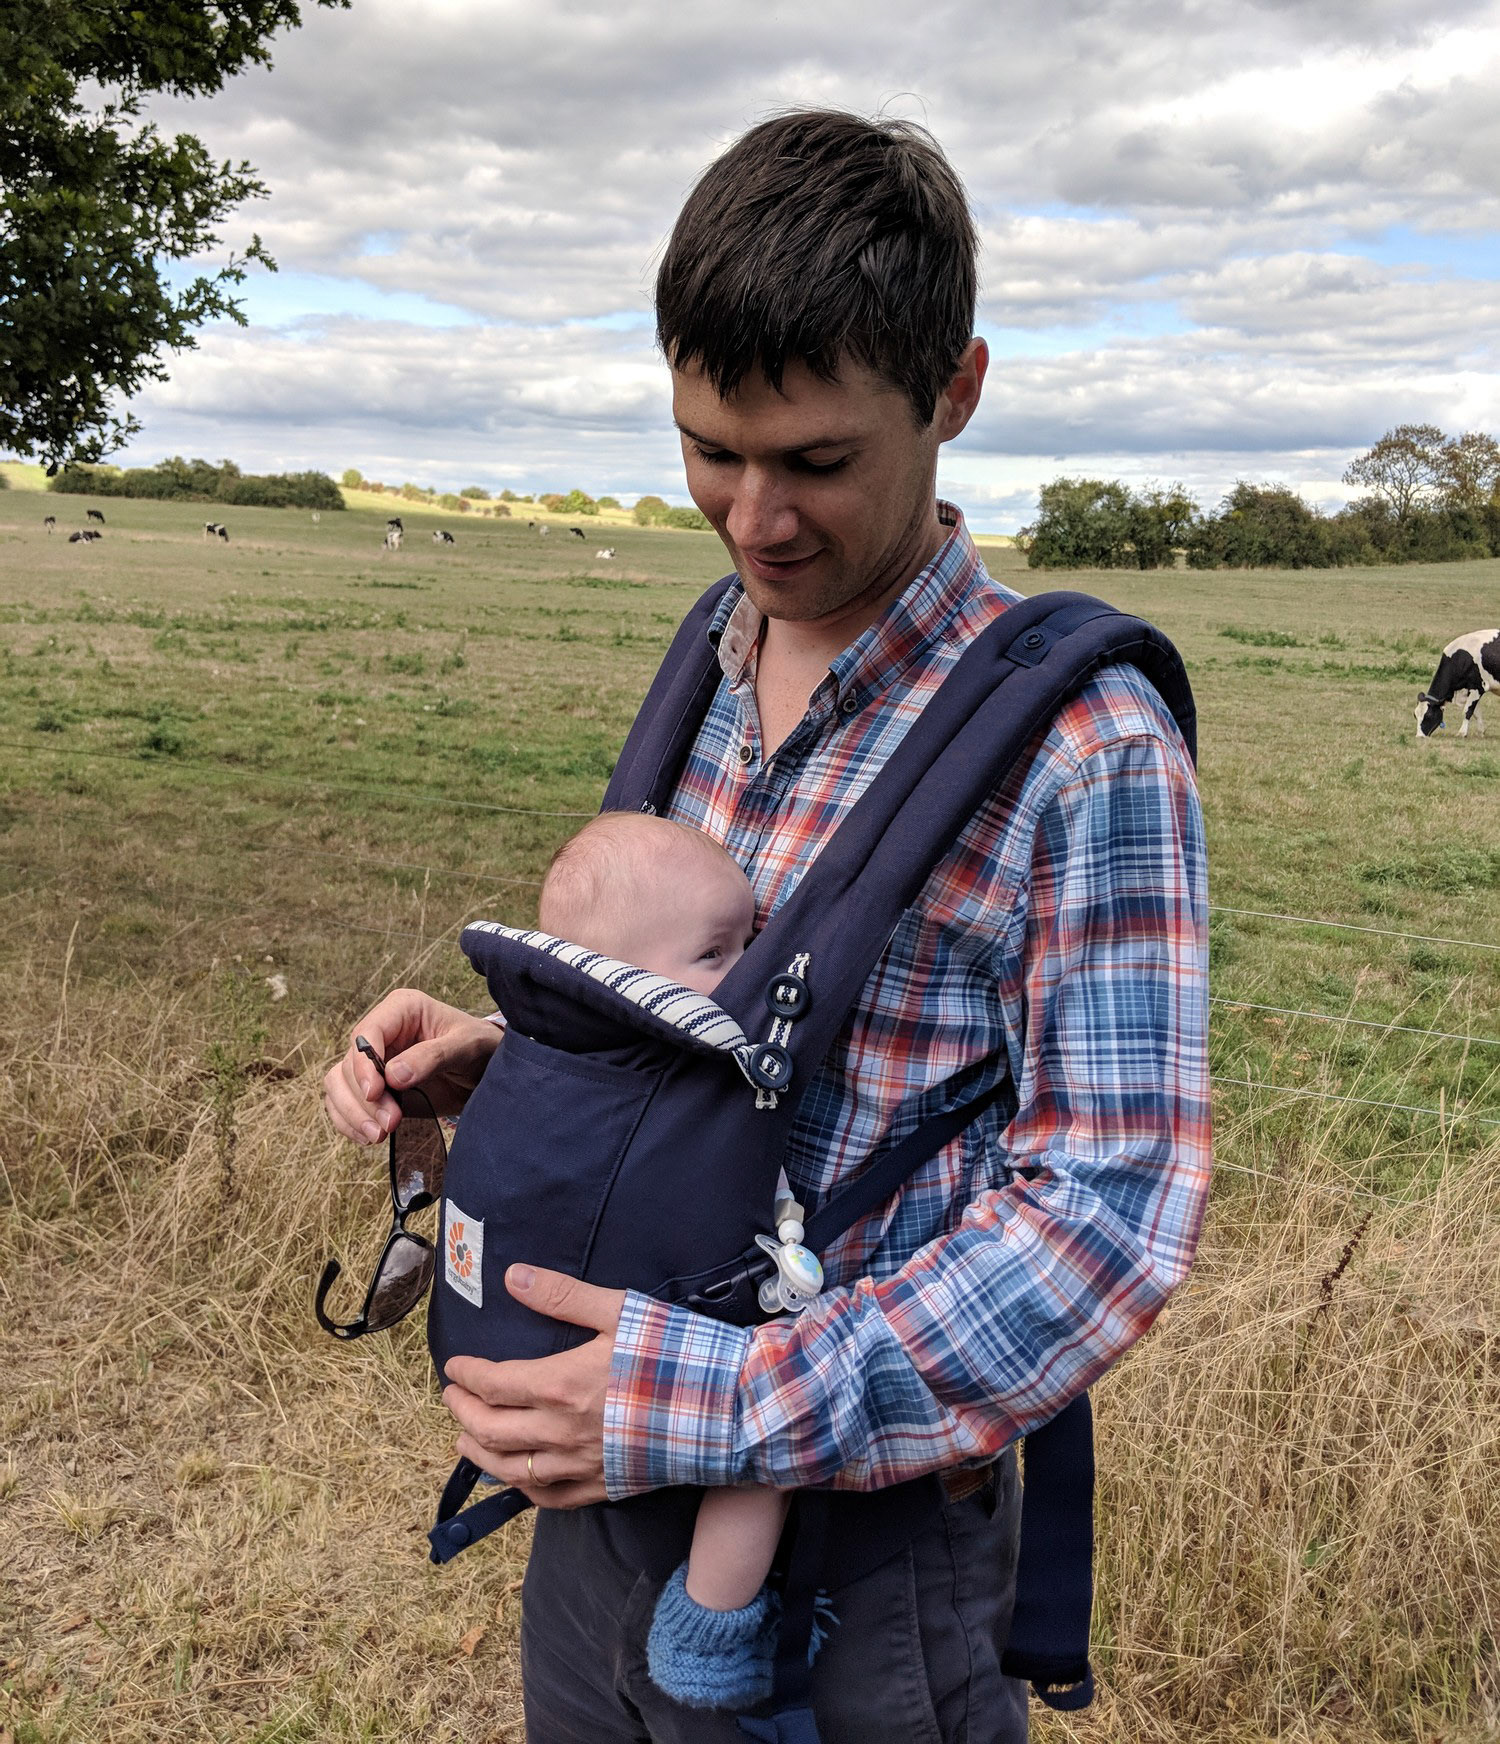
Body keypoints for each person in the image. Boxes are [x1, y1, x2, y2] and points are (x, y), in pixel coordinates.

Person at [323, 108, 1211, 1743]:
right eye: (707, 452)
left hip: (852, 1557)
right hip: (602, 1519)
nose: (752, 519)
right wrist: (517, 1069)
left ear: (955, 390)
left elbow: (1113, 1213)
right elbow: (720, 1030)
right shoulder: (707, 665)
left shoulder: (1086, 753)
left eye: (814, 463)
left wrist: (728, 1403)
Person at [534, 812, 794, 1711]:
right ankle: (714, 1621)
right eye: (718, 955)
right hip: (640, 1373)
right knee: (757, 1474)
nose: (746, 977)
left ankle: (705, 1624)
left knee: (760, 1447)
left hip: (728, 1386)